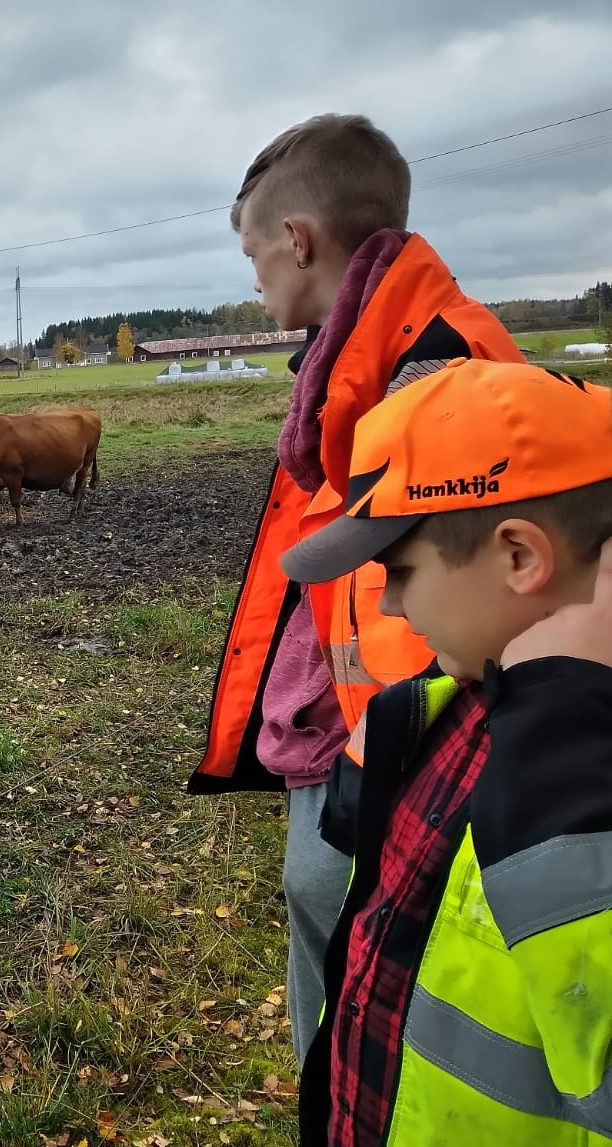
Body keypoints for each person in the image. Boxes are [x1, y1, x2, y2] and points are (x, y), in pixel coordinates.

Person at [187, 114, 523, 1062]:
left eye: (254, 255)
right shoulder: (358, 366)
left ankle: (347, 1103)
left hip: (411, 739)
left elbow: (470, 594)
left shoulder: (435, 374)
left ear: (297, 239)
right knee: (329, 921)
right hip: (361, 721)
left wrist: (403, 746)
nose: (254, 280)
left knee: (373, 953)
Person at [278, 358, 612, 1147]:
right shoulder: (451, 709)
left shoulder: (579, 772)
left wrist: (558, 757)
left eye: (400, 571)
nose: (389, 607)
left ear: (520, 556)